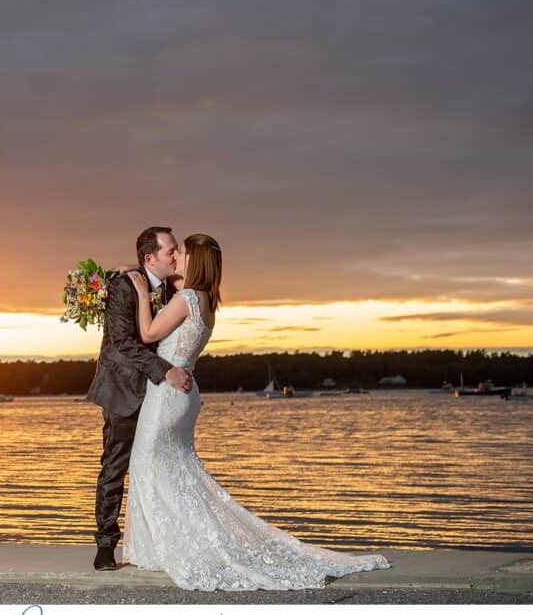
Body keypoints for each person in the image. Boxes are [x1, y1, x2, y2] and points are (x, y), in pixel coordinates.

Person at [120, 233, 391, 590]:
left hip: (168, 395)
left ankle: (166, 548)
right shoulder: (205, 300)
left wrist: (140, 293)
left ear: (196, 260)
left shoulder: (187, 298)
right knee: (178, 473)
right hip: (184, 394)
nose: (177, 257)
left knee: (149, 465)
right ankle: (167, 545)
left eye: (182, 252)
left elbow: (149, 331)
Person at [85, 226, 194, 571]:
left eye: (177, 250)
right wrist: (167, 371)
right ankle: (105, 545)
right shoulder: (123, 286)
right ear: (149, 258)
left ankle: (160, 540)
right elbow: (122, 343)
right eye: (170, 251)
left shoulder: (171, 288)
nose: (176, 256)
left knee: (158, 464)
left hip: (159, 395)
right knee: (115, 466)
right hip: (123, 389)